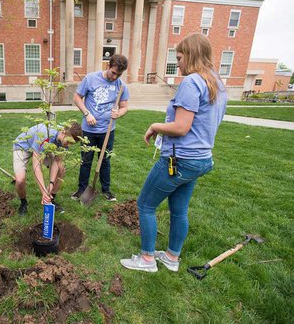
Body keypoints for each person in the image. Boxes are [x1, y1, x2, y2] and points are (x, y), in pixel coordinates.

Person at [120, 34, 227, 273]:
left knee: (146, 205)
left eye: (178, 57)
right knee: (179, 210)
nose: (176, 63)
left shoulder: (191, 82)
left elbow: (181, 127)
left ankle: (147, 259)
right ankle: (171, 257)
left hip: (179, 160)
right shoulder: (217, 83)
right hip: (201, 159)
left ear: (191, 55)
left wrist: (155, 126)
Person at [71, 54, 130, 202]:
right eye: (113, 73)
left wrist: (119, 113)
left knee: (105, 160)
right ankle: (81, 189)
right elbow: (77, 97)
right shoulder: (91, 79)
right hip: (88, 130)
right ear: (108, 66)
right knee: (86, 160)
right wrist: (87, 113)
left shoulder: (121, 86)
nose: (115, 77)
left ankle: (106, 190)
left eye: (119, 74)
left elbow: (124, 107)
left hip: (108, 130)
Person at [13, 122, 82, 215]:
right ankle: (23, 202)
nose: (69, 145)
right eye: (69, 142)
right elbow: (36, 167)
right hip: (23, 146)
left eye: (72, 143)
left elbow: (57, 161)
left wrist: (51, 184)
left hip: (44, 148)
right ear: (63, 132)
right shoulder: (45, 135)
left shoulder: (65, 140)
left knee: (61, 169)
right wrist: (43, 192)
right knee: (20, 180)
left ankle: (51, 198)